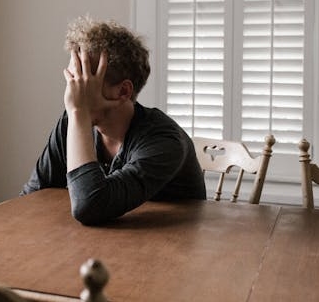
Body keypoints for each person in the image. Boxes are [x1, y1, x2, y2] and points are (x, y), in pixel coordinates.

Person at [21, 16, 206, 225]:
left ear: (123, 91)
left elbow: (90, 206)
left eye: (83, 81)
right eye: (72, 79)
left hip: (171, 248)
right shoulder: (72, 122)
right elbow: (32, 197)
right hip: (100, 244)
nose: (72, 92)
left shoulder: (164, 141)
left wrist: (79, 112)